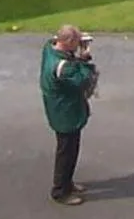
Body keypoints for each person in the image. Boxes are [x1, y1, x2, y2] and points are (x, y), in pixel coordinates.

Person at [40, 24, 99, 204]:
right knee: (67, 152)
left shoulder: (49, 49)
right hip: (65, 113)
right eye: (76, 41)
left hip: (58, 109)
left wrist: (76, 45)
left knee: (68, 150)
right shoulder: (63, 67)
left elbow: (58, 42)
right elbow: (83, 79)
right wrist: (85, 58)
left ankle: (67, 183)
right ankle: (60, 191)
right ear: (69, 42)